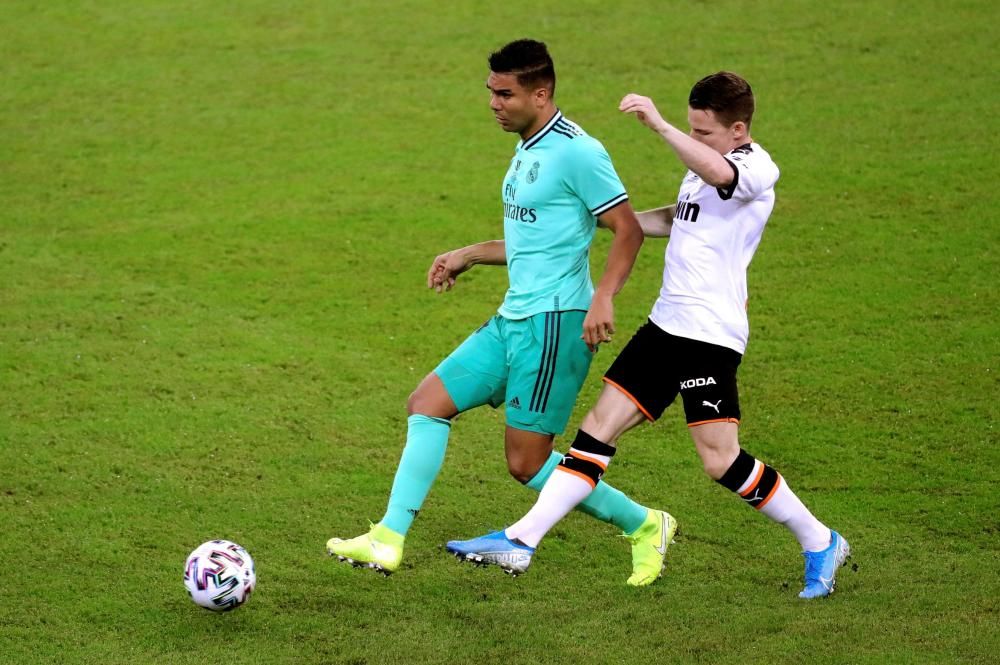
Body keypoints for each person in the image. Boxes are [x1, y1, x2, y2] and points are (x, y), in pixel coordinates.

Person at [447, 72, 851, 599]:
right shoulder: (703, 171)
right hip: (666, 326)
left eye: (703, 133)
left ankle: (820, 540)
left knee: (719, 460)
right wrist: (607, 222)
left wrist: (659, 125)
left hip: (709, 335)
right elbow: (679, 216)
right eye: (690, 129)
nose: (695, 141)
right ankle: (522, 540)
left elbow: (717, 170)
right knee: (596, 430)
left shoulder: (757, 168)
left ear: (737, 129)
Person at [327, 39, 676, 587]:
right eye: (490, 91)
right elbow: (535, 244)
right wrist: (468, 254)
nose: (493, 103)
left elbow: (627, 228)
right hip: (513, 317)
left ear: (540, 94)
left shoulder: (578, 152)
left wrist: (603, 296)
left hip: (556, 325)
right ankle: (387, 539)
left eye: (504, 93)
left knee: (528, 465)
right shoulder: (527, 147)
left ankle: (645, 524)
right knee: (428, 403)